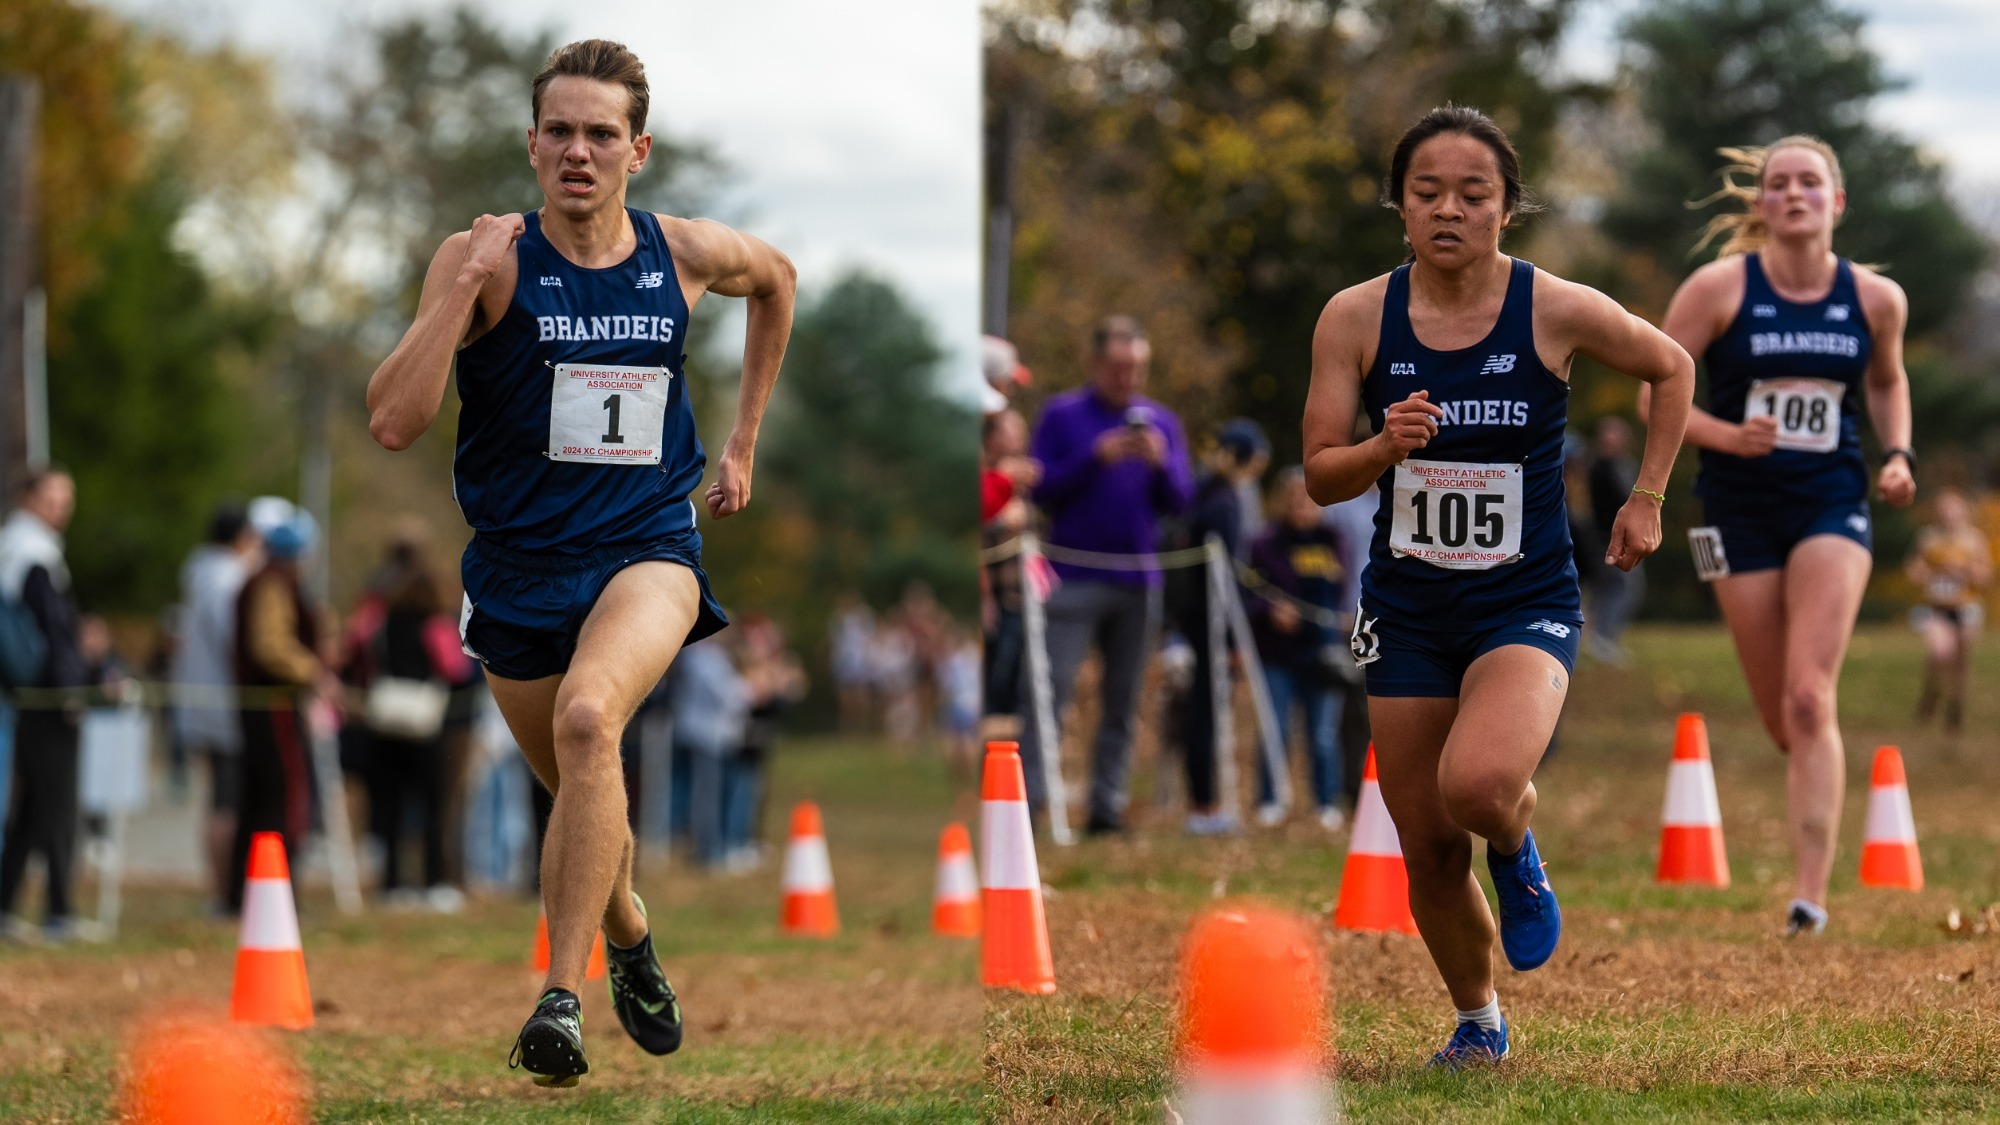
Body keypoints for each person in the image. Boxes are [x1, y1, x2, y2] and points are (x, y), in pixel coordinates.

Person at [364, 39, 794, 1085]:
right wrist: (460, 286)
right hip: (515, 570)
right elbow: (392, 420)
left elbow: (776, 279)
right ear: (531, 143)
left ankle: (561, 1000)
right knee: (579, 785)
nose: (577, 150)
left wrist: (740, 445)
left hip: (645, 548)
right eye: (558, 130)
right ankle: (633, 931)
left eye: (601, 133)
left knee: (591, 719)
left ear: (635, 150)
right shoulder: (487, 256)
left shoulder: (680, 253)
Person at [1302, 106, 1693, 1068]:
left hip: (1524, 599)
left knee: (1478, 786)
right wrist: (1382, 445)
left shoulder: (1553, 306)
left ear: (1507, 209)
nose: (1449, 210)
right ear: (1399, 205)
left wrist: (1645, 498)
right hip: (1406, 608)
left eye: (1473, 194)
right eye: (1427, 191)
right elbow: (1319, 473)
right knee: (1428, 848)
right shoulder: (1355, 317)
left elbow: (1672, 366)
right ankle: (1479, 1021)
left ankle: (1518, 848)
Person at [1645, 135, 1916, 939]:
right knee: (1781, 716)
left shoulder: (1876, 299)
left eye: (1810, 183)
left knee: (1809, 695)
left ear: (1836, 203)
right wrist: (1729, 436)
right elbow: (1654, 395)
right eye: (1778, 183)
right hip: (1731, 512)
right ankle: (1809, 784)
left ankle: (1808, 899)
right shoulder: (1719, 288)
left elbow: (1888, 379)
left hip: (1832, 501)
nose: (1794, 193)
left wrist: (1897, 453)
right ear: (1761, 204)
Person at [1025, 315, 1196, 834]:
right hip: (1072, 575)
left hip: (1139, 579)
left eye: (1137, 367)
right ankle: (1031, 803)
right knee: (1050, 689)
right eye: (1119, 367)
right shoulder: (1062, 416)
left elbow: (1183, 502)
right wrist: (1092, 458)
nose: (1128, 377)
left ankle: (1106, 807)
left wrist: (1162, 464)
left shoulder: (1161, 421)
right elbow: (1038, 488)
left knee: (1122, 701)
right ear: (1096, 363)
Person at [347, 536, 477, 911]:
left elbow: (355, 648)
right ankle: (434, 881)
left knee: (388, 803)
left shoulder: (379, 622)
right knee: (432, 802)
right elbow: (456, 669)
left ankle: (391, 885)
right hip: (423, 725)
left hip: (382, 720)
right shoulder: (434, 625)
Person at [228, 512, 338, 914]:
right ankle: (275, 893)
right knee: (286, 796)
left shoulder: (267, 583)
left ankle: (247, 894)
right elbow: (270, 645)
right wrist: (314, 674)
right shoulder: (271, 585)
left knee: (259, 800)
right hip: (274, 705)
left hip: (264, 707)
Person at [0, 470, 89, 941]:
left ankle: (7, 906)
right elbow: (53, 631)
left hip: (28, 694)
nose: (62, 507)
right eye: (52, 497)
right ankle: (60, 911)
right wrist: (70, 688)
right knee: (55, 803)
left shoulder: (16, 546)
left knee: (33, 806)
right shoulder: (33, 551)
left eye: (66, 498)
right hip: (45, 697)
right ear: (27, 498)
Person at [1168, 417, 1267, 836]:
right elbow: (1226, 574)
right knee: (1207, 714)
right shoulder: (1225, 502)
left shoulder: (1200, 493)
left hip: (1190, 621)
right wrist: (1233, 637)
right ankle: (1205, 805)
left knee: (1199, 713)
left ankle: (1202, 801)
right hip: (1210, 625)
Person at [1246, 467, 1350, 831]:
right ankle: (1270, 799)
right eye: (1293, 499)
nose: (1300, 506)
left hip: (1322, 654)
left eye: (1307, 499)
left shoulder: (1334, 540)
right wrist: (1271, 611)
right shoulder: (1264, 543)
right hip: (1277, 655)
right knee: (1275, 729)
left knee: (1322, 734)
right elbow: (1250, 593)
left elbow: (1343, 592)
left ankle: (1326, 802)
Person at [173, 502, 262, 915]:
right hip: (227, 704)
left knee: (218, 798)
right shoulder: (227, 579)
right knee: (228, 799)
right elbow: (238, 638)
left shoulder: (201, 574)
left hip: (204, 702)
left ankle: (220, 889)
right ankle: (225, 892)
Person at [1906, 490, 1990, 731]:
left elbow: (1985, 577)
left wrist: (1962, 571)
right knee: (1939, 653)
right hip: (1936, 609)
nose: (1948, 514)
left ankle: (1956, 706)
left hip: (1966, 609)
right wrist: (1932, 573)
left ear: (1963, 511)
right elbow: (1914, 570)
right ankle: (1932, 691)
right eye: (1944, 509)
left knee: (1961, 659)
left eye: (1953, 508)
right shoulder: (1928, 538)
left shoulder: (1975, 540)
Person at [1585, 417, 1644, 664]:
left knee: (1609, 591)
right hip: (1608, 539)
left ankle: (1602, 639)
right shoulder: (1602, 468)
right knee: (1624, 590)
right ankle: (1603, 639)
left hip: (1613, 538)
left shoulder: (1621, 465)